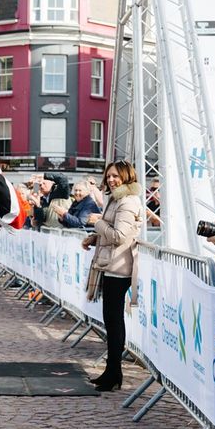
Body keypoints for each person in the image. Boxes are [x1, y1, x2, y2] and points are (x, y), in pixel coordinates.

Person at [81, 161, 142, 391]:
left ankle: (114, 372)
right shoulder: (116, 199)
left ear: (126, 176)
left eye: (115, 176)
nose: (111, 180)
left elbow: (118, 235)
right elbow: (111, 231)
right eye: (108, 177)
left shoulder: (127, 201)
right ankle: (112, 371)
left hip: (119, 266)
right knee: (111, 320)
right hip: (111, 263)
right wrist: (94, 237)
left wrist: (97, 225)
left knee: (114, 321)